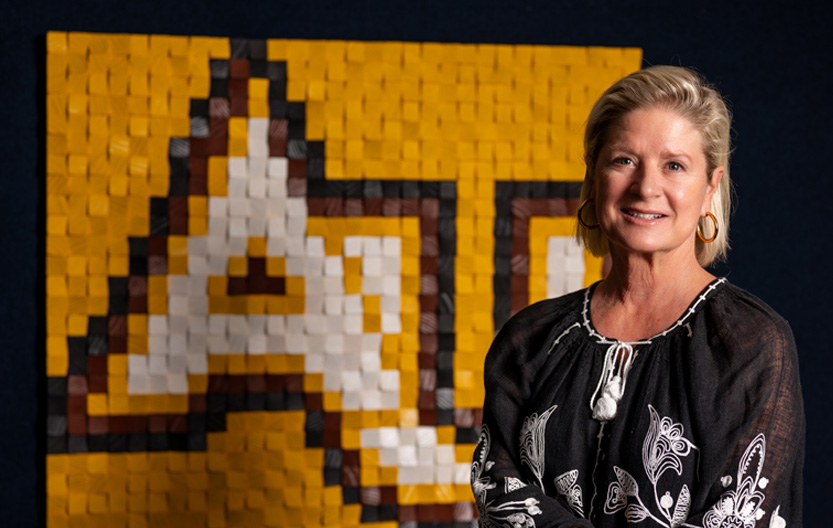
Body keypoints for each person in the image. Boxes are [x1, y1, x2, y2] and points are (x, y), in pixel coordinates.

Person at [471, 65, 804, 528]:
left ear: (710, 187)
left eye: (674, 165)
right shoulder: (529, 339)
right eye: (624, 160)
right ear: (594, 176)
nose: (646, 188)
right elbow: (499, 494)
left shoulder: (750, 343)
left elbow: (742, 517)